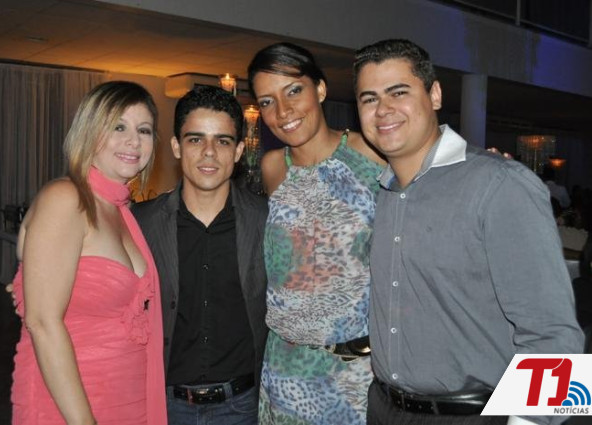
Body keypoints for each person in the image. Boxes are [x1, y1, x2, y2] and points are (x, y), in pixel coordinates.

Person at [353, 38, 584, 425]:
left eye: (399, 92)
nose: (383, 109)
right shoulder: (383, 193)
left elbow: (556, 333)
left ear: (435, 94)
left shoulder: (500, 183)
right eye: (369, 98)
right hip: (384, 408)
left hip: (477, 414)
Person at [10, 81, 167, 424]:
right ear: (90, 131)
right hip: (70, 403)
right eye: (118, 127)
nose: (133, 141)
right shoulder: (65, 198)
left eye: (143, 130)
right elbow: (42, 322)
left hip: (128, 397)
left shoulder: (123, 211)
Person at [247, 42, 386, 425]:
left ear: (320, 89)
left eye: (293, 90)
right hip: (284, 370)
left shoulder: (371, 152)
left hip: (355, 376)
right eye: (267, 101)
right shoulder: (273, 167)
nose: (283, 111)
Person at [131, 85, 268, 425]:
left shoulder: (267, 220)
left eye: (222, 141)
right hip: (163, 405)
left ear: (239, 151)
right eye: (195, 139)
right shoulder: (141, 222)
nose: (209, 152)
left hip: (243, 406)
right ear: (176, 147)